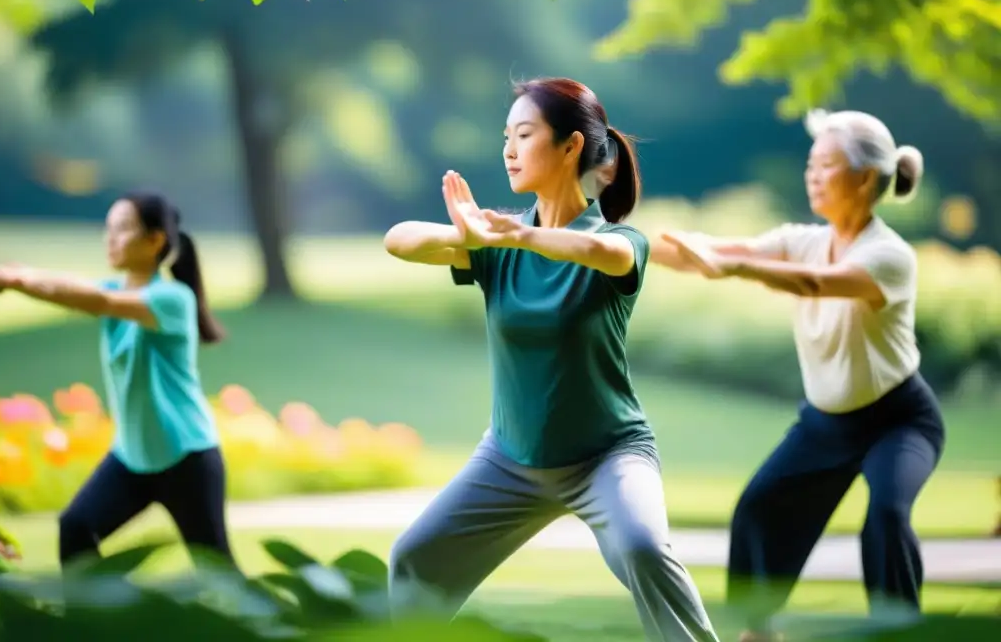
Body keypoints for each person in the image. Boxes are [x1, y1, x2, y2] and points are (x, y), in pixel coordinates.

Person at [383, 77, 720, 642]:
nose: (508, 150)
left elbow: (594, 250)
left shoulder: (620, 242)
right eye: (505, 137)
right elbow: (398, 239)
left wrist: (515, 239)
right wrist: (477, 236)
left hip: (607, 458)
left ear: (571, 147)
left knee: (642, 548)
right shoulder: (495, 244)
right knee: (414, 560)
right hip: (510, 459)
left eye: (524, 134)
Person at [651, 110, 944, 642]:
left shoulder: (889, 256)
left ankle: (900, 631)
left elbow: (815, 283)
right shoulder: (802, 238)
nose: (812, 174)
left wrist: (736, 268)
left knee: (887, 515)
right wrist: (625, 247)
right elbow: (709, 255)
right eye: (810, 164)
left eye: (825, 164)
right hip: (825, 425)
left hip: (899, 422)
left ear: (862, 177)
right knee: (758, 508)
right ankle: (759, 633)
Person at [0, 192, 235, 569]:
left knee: (219, 572)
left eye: (123, 229)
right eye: (108, 229)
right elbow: (73, 285)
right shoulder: (113, 290)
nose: (110, 239)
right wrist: (19, 275)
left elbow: (94, 300)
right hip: (131, 457)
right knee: (76, 528)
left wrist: (17, 282)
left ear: (155, 241)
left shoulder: (172, 299)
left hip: (186, 458)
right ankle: (94, 624)